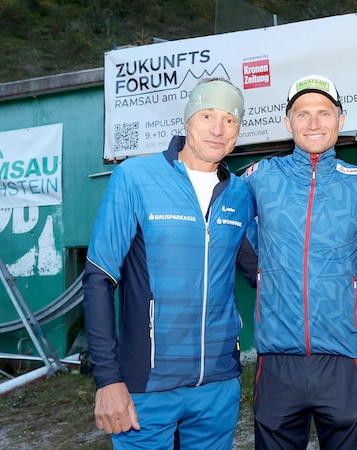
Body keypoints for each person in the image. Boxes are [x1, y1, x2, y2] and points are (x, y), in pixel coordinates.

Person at [82, 78, 257, 449]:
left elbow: (264, 271)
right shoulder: (136, 177)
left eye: (229, 120)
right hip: (147, 387)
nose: (217, 128)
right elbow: (99, 278)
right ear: (187, 120)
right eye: (207, 115)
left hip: (218, 386)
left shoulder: (241, 193)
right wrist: (108, 379)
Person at [241, 74, 357, 449]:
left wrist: (344, 284)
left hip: (341, 355)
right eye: (302, 114)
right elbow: (233, 236)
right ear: (288, 123)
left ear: (340, 120)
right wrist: (266, 277)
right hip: (277, 356)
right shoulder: (259, 177)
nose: (313, 123)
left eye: (323, 113)